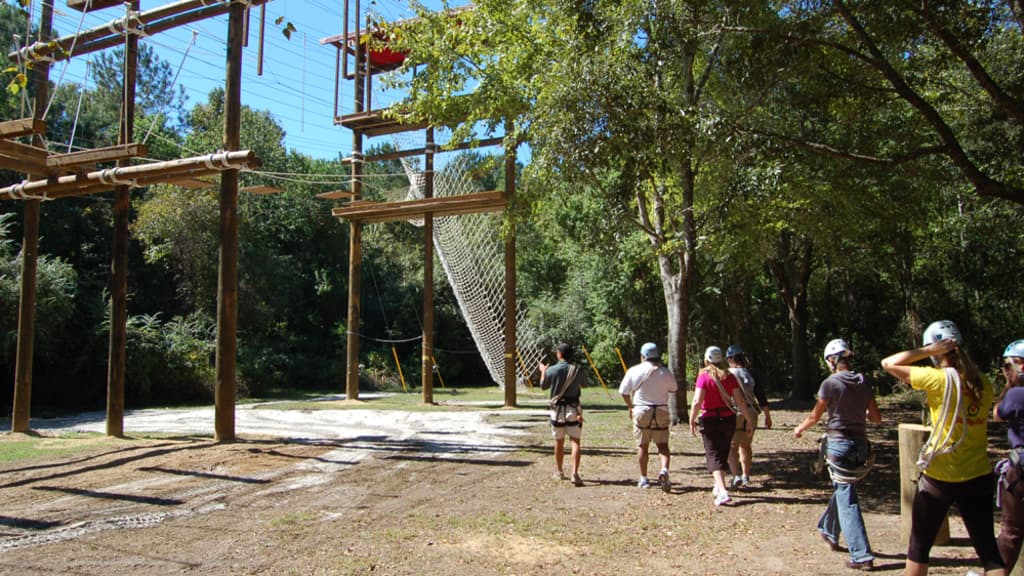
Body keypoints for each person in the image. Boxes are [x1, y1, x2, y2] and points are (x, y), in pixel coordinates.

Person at [881, 320, 1005, 576]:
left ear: (938, 351)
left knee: (918, 547)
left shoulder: (936, 380)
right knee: (988, 552)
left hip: (941, 475)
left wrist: (927, 351)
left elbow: (888, 363)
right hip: (978, 473)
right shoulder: (983, 382)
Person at [794, 338, 881, 571]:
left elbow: (815, 416)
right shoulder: (864, 381)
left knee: (847, 496)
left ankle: (861, 555)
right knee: (844, 489)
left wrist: (800, 429)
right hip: (860, 446)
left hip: (839, 445)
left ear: (832, 361)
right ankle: (829, 530)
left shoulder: (830, 384)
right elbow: (875, 418)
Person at [689, 345, 755, 506]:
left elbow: (697, 400)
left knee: (713, 454)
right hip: (728, 418)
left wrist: (691, 418)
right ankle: (719, 486)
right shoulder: (729, 376)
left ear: (706, 359)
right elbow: (740, 401)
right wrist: (749, 420)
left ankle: (723, 491)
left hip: (709, 418)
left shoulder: (703, 377)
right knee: (723, 451)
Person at [619, 342, 677, 492]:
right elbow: (674, 388)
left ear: (643, 356)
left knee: (643, 446)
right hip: (661, 410)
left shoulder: (634, 370)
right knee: (663, 445)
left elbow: (624, 391)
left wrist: (630, 406)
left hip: (641, 410)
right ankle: (664, 469)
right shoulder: (665, 372)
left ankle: (644, 479)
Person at [994, 340, 1024, 572]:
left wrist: (1010, 384)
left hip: (1020, 469)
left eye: (1008, 365)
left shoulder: (1015, 395)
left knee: (1011, 532)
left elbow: (997, 413)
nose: (1005, 370)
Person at [726, 344, 773, 488]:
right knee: (745, 445)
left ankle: (736, 476)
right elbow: (761, 395)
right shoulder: (751, 373)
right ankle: (746, 476)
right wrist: (767, 415)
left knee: (731, 446)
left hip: (732, 412)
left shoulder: (726, 374)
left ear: (731, 359)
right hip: (751, 412)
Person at [539, 343, 585, 487]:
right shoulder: (577, 369)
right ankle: (575, 473)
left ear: (559, 354)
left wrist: (542, 371)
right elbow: (584, 384)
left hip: (557, 410)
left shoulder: (552, 370)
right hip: (573, 409)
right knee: (575, 441)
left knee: (559, 442)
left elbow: (542, 386)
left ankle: (559, 472)